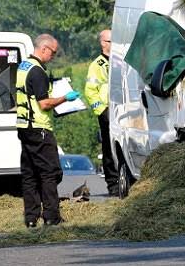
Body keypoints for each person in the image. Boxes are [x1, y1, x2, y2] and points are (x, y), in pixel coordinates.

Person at [16, 33, 80, 227]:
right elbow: (44, 104)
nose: (53, 56)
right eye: (53, 52)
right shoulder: (37, 71)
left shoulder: (23, 66)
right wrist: (65, 98)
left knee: (30, 174)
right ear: (44, 49)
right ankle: (52, 216)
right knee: (50, 173)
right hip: (39, 127)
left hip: (24, 127)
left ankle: (31, 218)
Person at [85, 29, 119, 196]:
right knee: (109, 149)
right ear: (103, 43)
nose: (115, 44)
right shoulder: (97, 65)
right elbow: (90, 91)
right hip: (107, 112)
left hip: (122, 111)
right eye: (112, 41)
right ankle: (112, 184)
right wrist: (102, 111)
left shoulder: (119, 61)